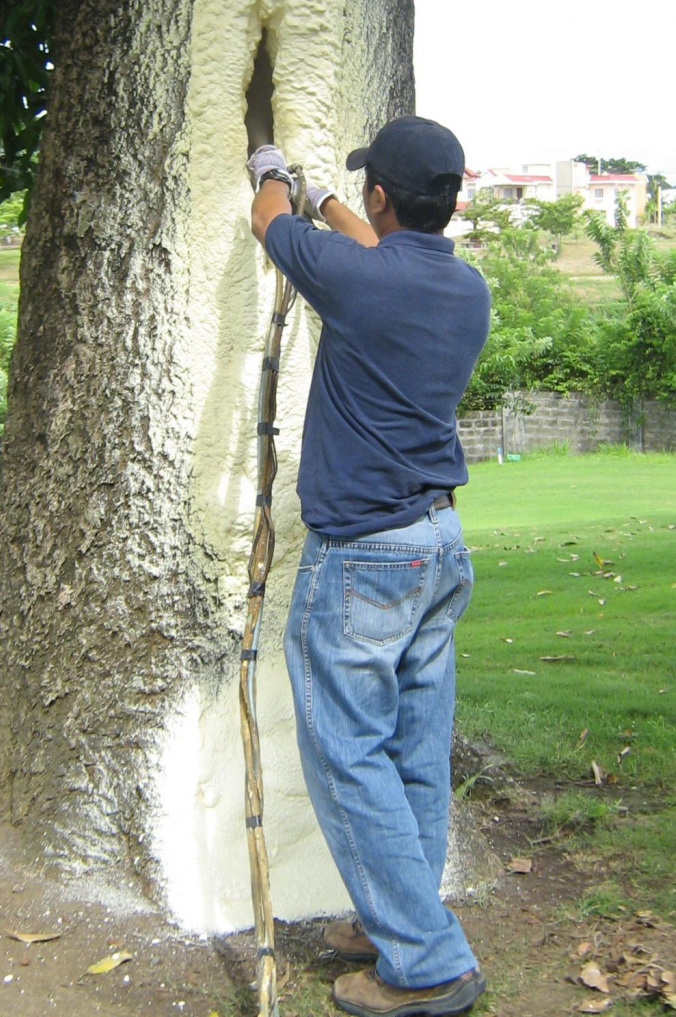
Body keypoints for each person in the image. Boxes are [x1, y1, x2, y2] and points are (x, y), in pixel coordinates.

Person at [246, 115, 491, 1017]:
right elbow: (368, 254)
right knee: (415, 754)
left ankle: (427, 964)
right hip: (436, 549)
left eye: (365, 191)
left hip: (365, 561)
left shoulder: (360, 283)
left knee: (349, 755)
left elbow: (268, 223)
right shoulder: (463, 289)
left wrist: (273, 171)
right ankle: (402, 916)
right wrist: (331, 201)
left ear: (385, 195)